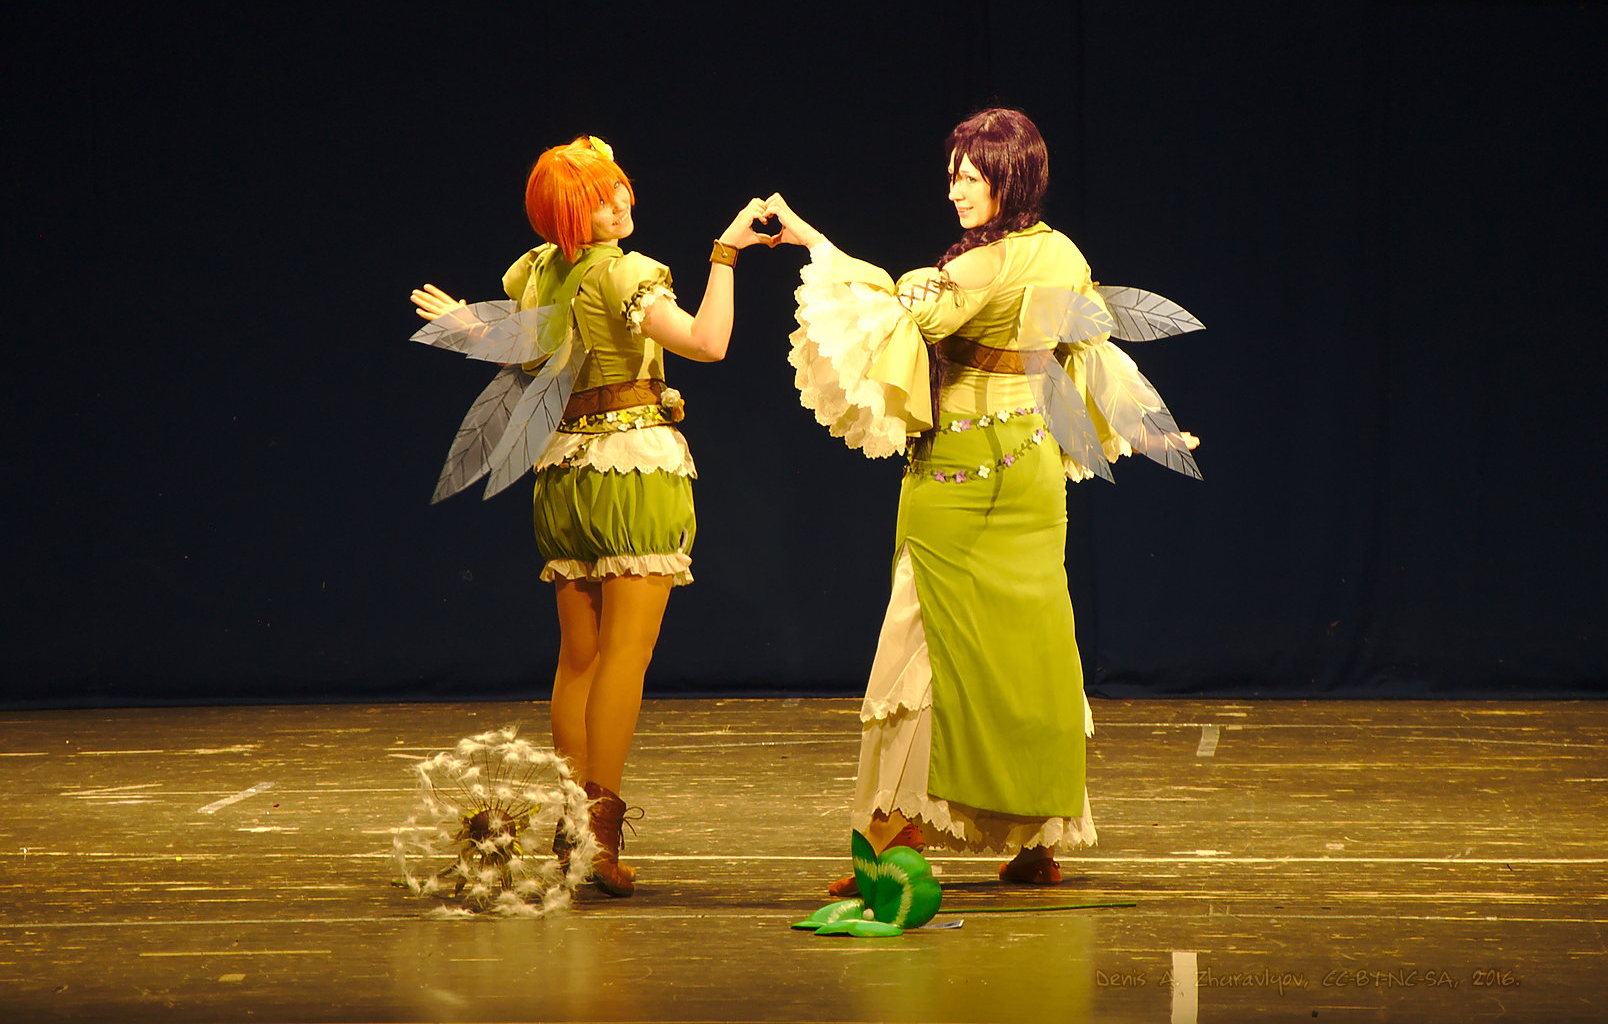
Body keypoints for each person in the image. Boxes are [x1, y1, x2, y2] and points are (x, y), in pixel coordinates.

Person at [767, 108, 1200, 890]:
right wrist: (1141, 424)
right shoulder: (1064, 254)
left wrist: (816, 246)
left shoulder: (980, 266)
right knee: (1028, 647)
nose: (955, 190)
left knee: (924, 639)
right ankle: (1035, 838)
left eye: (970, 176)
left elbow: (891, 319)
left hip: (960, 471)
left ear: (1009, 175)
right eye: (953, 175)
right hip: (1030, 466)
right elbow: (1089, 352)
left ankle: (890, 841)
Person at [410, 135, 772, 896]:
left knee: (578, 657)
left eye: (620, 190)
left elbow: (527, 353)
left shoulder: (537, 269)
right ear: (571, 213)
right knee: (621, 658)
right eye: (602, 199)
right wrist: (727, 254)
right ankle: (595, 836)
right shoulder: (626, 273)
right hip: (633, 469)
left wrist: (471, 329)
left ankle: (574, 831)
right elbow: (708, 343)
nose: (621, 204)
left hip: (563, 473)